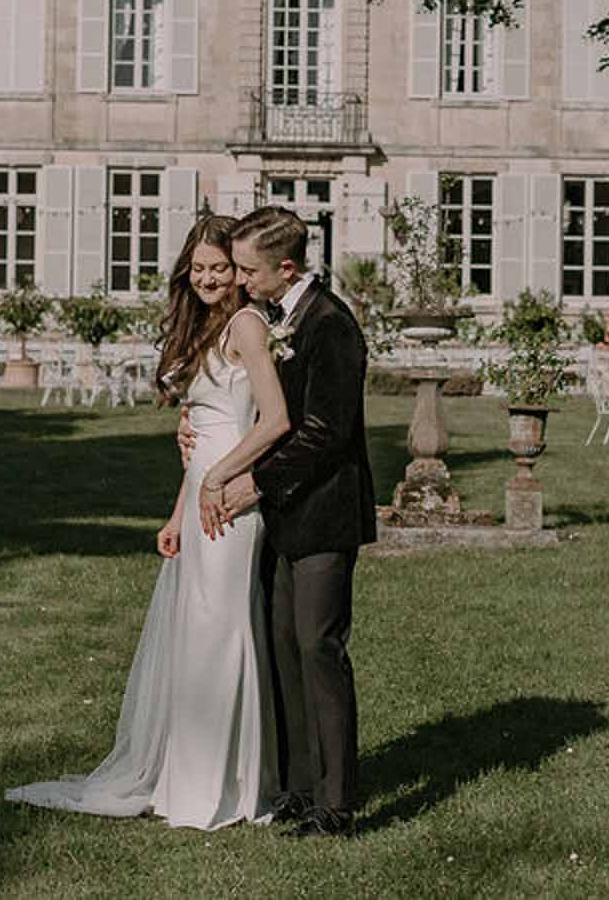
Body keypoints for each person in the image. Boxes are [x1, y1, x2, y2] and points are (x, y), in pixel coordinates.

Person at [5, 215, 291, 830]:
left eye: (221, 268)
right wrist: (177, 511)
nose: (211, 278)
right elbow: (204, 432)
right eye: (200, 268)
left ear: (239, 273)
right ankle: (183, 777)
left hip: (232, 501)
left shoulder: (246, 325)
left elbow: (273, 420)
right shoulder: (207, 330)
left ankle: (222, 788)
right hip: (199, 499)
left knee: (221, 635)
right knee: (195, 638)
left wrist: (218, 482)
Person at [198, 205, 375, 838]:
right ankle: (299, 787)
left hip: (325, 513)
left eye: (248, 270)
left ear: (287, 268)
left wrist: (254, 483)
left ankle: (337, 804)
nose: (240, 281)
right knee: (284, 650)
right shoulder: (279, 318)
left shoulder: (331, 327)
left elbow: (326, 435)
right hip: (284, 516)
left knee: (319, 649)